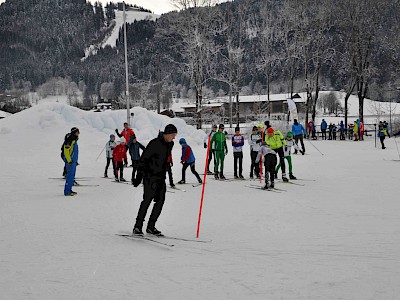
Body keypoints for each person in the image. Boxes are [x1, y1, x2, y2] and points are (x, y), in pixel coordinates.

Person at [132, 124, 177, 236]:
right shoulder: (154, 143)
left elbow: (164, 159)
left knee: (160, 202)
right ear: (167, 134)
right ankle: (138, 226)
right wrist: (139, 177)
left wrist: (166, 168)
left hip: (161, 177)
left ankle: (151, 226)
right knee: (147, 201)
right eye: (173, 135)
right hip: (150, 177)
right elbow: (143, 160)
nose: (174, 137)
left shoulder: (170, 144)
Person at [63, 127, 80, 196]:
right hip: (70, 162)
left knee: (72, 176)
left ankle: (69, 189)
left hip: (73, 161)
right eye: (78, 132)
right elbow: (66, 151)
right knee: (69, 176)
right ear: (75, 132)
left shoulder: (74, 140)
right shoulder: (70, 139)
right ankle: (67, 192)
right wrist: (69, 160)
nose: (79, 133)